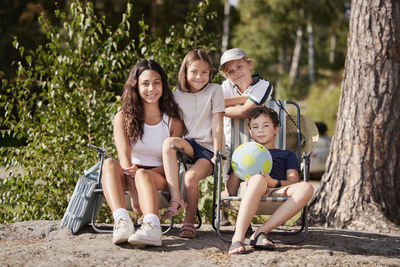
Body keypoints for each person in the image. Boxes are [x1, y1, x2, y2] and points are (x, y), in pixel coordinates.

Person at [101, 59, 184, 246]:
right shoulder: (122, 118)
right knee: (109, 164)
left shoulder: (173, 122)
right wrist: (134, 190)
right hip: (129, 173)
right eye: (145, 83)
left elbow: (171, 166)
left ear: (163, 85)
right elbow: (125, 163)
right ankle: (122, 221)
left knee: (143, 176)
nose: (151, 88)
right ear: (136, 86)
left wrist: (141, 176)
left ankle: (152, 227)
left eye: (156, 82)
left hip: (158, 176)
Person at [227, 106, 314, 254]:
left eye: (266, 125)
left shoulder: (287, 154)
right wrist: (239, 168)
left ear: (276, 129)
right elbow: (231, 191)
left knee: (307, 187)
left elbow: (294, 182)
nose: (260, 130)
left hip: (276, 190)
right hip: (250, 189)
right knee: (257, 180)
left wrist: (273, 182)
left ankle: (260, 232)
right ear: (250, 131)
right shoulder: (243, 153)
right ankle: (238, 239)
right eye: (255, 126)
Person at [162, 49, 225, 238]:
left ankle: (188, 223)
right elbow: (177, 127)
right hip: (189, 144)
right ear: (185, 72)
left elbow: (218, 123)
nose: (199, 76)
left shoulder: (215, 90)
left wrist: (217, 151)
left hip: (207, 149)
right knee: (168, 143)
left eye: (204, 72)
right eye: (194, 72)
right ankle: (175, 199)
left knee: (190, 178)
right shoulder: (177, 96)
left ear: (210, 73)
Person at [219, 48, 274, 225]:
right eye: (230, 71)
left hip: (258, 143)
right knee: (229, 177)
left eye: (239, 67)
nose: (236, 73)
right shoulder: (226, 86)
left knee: (253, 177)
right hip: (230, 141)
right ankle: (223, 210)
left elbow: (244, 112)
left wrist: (223, 107)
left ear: (250, 64)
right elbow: (214, 102)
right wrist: (243, 98)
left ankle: (247, 214)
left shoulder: (263, 85)